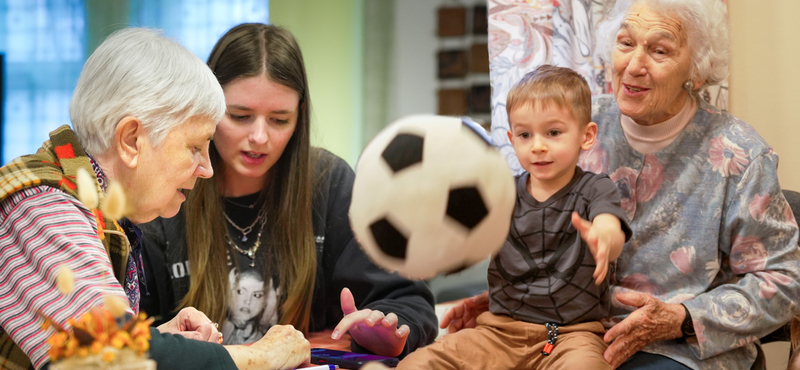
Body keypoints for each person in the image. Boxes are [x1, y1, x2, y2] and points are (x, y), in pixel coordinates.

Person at [440, 1, 800, 369]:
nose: (634, 65)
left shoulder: (738, 153)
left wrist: (682, 317)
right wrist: (515, 299)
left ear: (697, 70)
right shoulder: (573, 127)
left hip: (679, 349)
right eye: (626, 43)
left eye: (659, 51)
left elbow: (785, 282)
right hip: (567, 334)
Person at [0, 28, 309, 370]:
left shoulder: (87, 203)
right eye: (194, 147)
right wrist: (262, 356)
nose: (206, 168)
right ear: (131, 140)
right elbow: (109, 359)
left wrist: (160, 339)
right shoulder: (43, 207)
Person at [138, 22, 438, 361]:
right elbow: (123, 337)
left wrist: (390, 331)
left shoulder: (329, 183)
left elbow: (408, 300)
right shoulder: (164, 190)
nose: (260, 137)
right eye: (240, 116)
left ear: (299, 118)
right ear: (208, 112)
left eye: (280, 120)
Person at [398, 65, 631, 369]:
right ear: (512, 138)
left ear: (586, 136)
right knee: (417, 363)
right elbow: (461, 234)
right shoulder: (501, 192)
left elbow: (610, 228)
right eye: (525, 134)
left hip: (572, 336)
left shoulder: (596, 187)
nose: (537, 146)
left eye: (553, 132)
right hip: (497, 331)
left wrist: (604, 239)